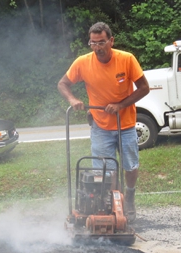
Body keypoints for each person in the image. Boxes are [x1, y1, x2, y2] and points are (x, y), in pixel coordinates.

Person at [58, 22, 150, 222]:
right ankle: (111, 203)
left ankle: (130, 198)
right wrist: (73, 100)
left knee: (130, 165)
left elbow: (144, 88)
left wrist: (120, 105)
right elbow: (63, 83)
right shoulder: (83, 62)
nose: (97, 47)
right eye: (93, 43)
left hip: (125, 123)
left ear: (111, 41)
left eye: (101, 42)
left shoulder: (126, 59)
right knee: (104, 170)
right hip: (100, 125)